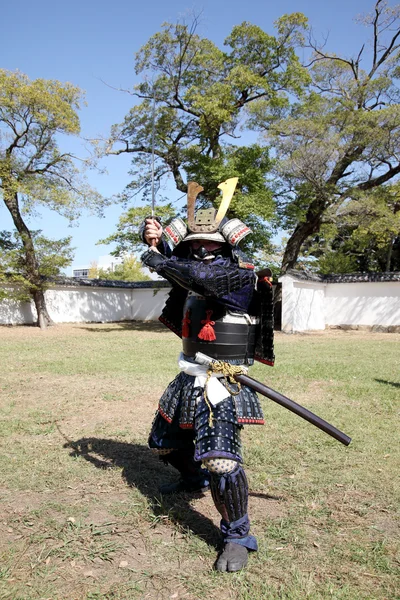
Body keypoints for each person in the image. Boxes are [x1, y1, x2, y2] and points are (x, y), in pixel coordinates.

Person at [140, 180, 274, 572]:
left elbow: (204, 281)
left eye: (212, 244)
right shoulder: (189, 267)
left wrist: (162, 260)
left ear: (229, 246)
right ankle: (192, 479)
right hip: (189, 375)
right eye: (195, 244)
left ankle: (237, 535)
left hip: (224, 381)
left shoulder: (241, 275)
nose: (202, 249)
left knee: (222, 461)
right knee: (162, 443)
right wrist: (155, 241)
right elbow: (185, 272)